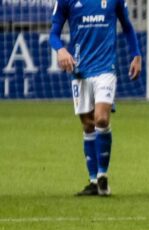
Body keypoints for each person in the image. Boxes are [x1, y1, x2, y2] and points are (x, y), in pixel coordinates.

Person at [50, 0, 142, 196]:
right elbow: (53, 33)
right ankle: (93, 181)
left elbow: (127, 25)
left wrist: (136, 54)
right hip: (80, 69)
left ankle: (102, 175)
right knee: (87, 125)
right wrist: (60, 49)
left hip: (105, 69)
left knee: (101, 118)